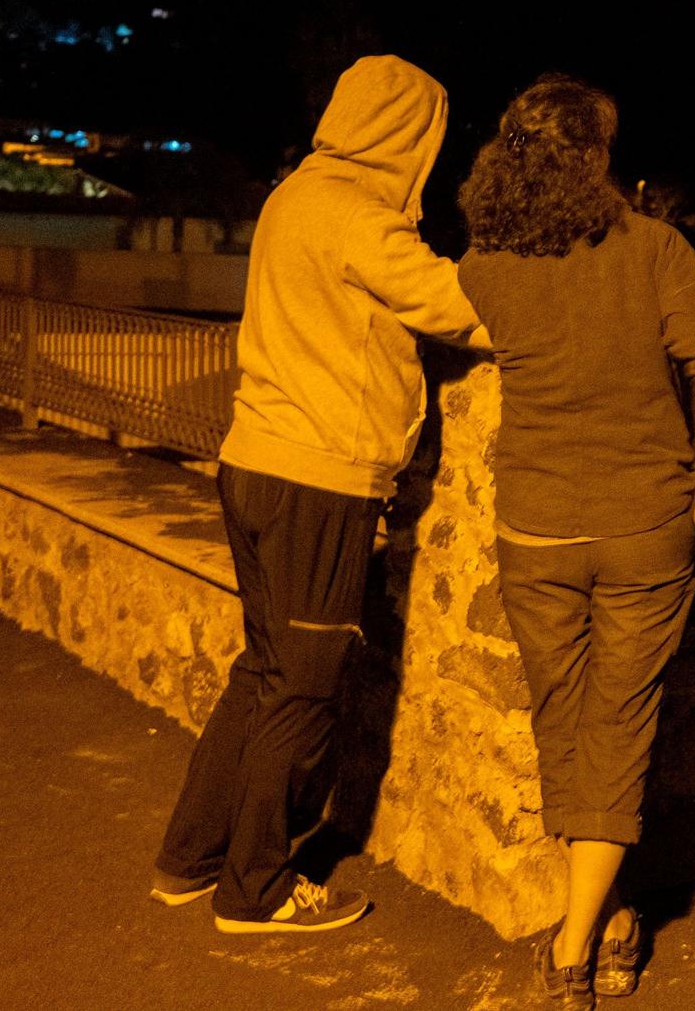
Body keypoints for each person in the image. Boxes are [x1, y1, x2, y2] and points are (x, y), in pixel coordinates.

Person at [150, 55, 487, 933]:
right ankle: (255, 890)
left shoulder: (294, 194)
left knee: (261, 670)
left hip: (254, 460)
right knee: (302, 687)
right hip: (318, 480)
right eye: (427, 134)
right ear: (401, 132)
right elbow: (459, 308)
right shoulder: (360, 218)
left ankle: (190, 858)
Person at [455, 73, 695, 1008]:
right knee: (618, 725)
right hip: (643, 523)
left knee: (564, 719)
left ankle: (593, 926)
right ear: (596, 159)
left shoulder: (484, 265)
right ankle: (590, 942)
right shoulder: (655, 248)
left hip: (536, 524)